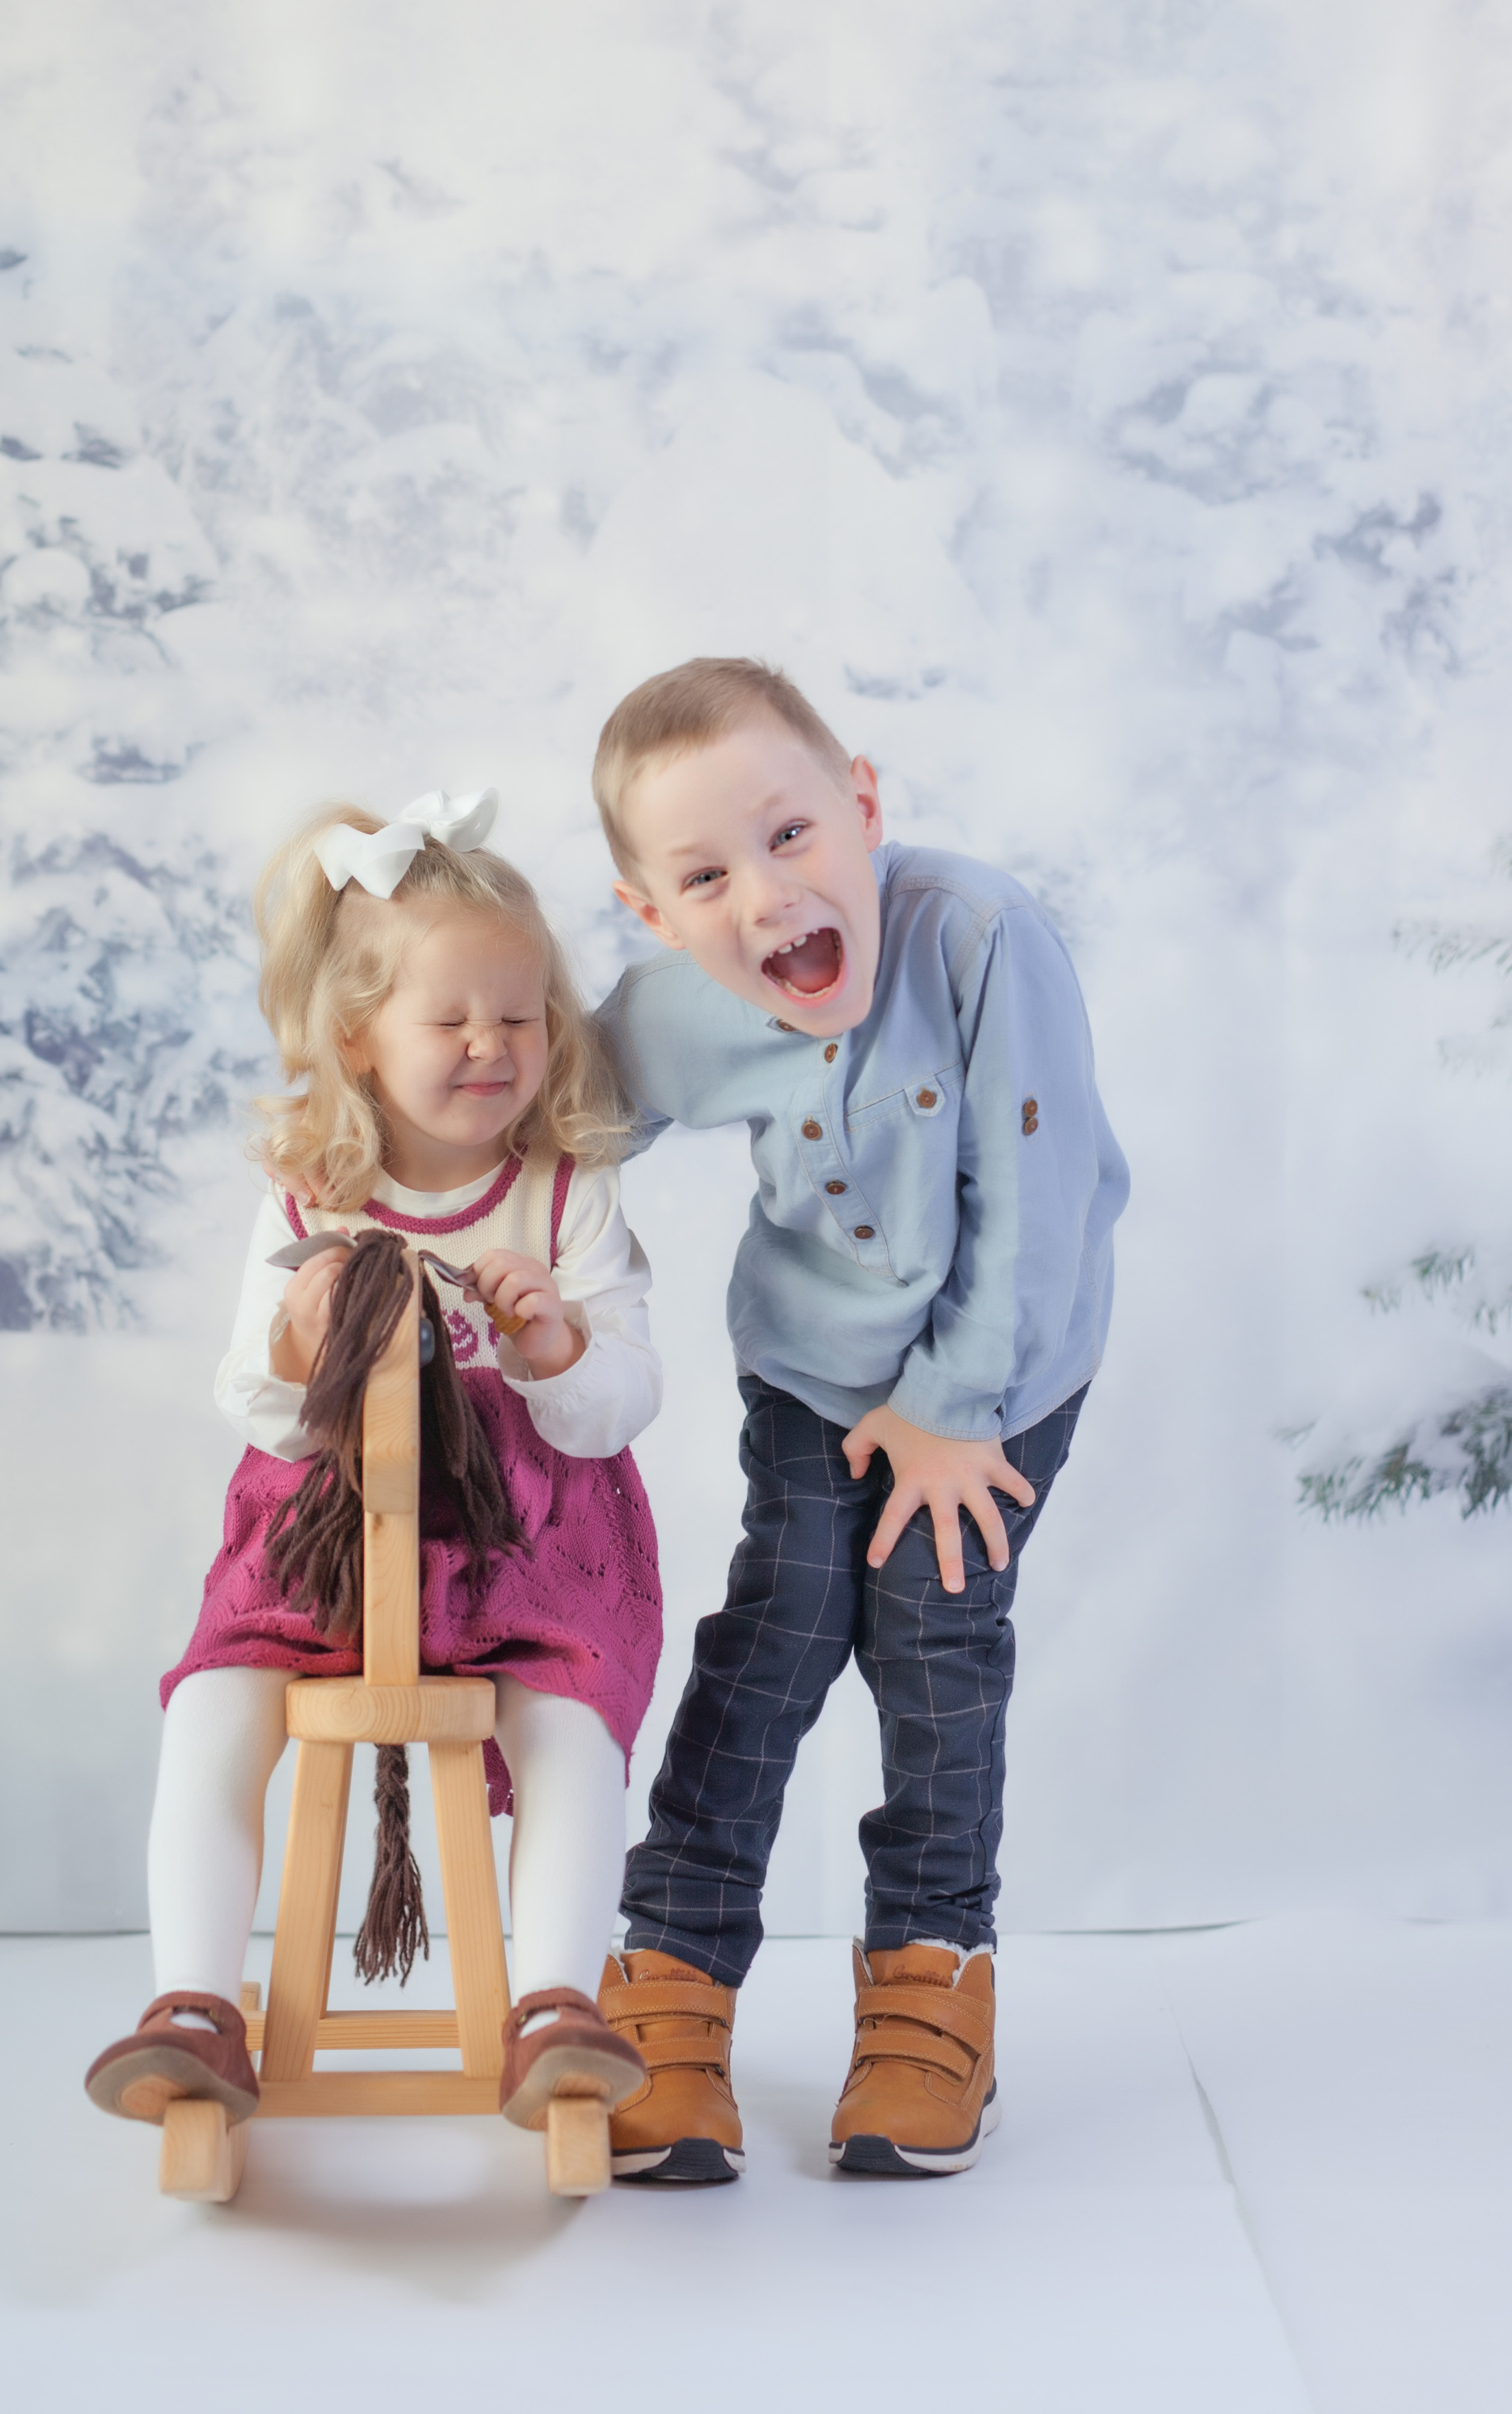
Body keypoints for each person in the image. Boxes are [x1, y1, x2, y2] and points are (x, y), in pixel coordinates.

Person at [588, 661, 1129, 2183]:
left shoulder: (976, 939)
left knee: (931, 1636)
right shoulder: (681, 1006)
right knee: (775, 1634)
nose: (764, 896)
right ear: (653, 914)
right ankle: (671, 1980)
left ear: (862, 805)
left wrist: (959, 1411)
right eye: (702, 875)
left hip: (999, 1368)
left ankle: (929, 1983)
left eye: (790, 836)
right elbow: (559, 1121)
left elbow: (1034, 1202)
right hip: (817, 1367)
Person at [85, 790, 659, 2138]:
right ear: (356, 1036)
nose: (490, 1046)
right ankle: (192, 2006)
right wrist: (298, 1352)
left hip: (531, 1548)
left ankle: (555, 2009)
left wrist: (557, 1348)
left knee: (568, 1729)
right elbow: (249, 1400)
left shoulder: (565, 1193)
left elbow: (623, 1406)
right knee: (212, 1711)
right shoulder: (307, 1196)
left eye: (518, 1019)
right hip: (324, 1543)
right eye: (449, 1019)